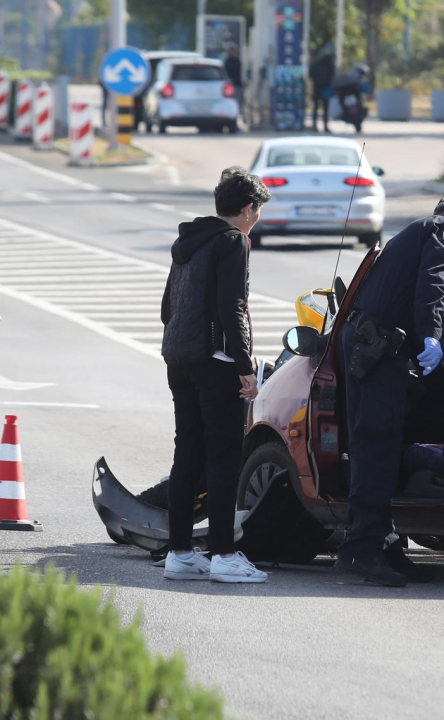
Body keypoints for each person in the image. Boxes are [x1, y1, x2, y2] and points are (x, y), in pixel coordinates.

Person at [337, 196, 444, 587]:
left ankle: (381, 544)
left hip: (372, 347)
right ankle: (362, 550)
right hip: (379, 351)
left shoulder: (419, 232)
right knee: (377, 444)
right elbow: (433, 287)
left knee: (375, 442)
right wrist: (432, 339)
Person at [160, 167, 273, 583]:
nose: (257, 218)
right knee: (224, 455)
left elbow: (166, 309)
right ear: (246, 209)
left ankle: (180, 553)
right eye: (257, 210)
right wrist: (245, 367)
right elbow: (234, 308)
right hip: (216, 362)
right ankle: (224, 555)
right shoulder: (233, 241)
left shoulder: (187, 242)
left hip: (179, 359)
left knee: (187, 452)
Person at [310, 45, 336, 132]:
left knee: (316, 108)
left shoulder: (316, 62)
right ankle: (324, 126)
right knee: (324, 108)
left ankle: (315, 125)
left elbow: (311, 75)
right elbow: (332, 75)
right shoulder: (328, 63)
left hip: (318, 88)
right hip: (325, 88)